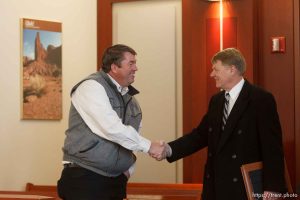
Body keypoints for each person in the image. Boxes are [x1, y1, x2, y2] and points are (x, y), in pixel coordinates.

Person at [154, 48, 287, 200]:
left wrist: (273, 188)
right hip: (216, 187)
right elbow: (200, 135)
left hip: (243, 189)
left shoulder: (260, 99)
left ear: (232, 69)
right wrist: (169, 149)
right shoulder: (216, 101)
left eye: (215, 69)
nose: (212, 74)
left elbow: (272, 147)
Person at [57, 44, 164, 200]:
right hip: (85, 180)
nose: (136, 68)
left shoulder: (132, 101)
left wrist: (127, 172)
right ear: (114, 67)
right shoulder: (91, 87)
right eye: (131, 63)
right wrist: (149, 146)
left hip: (116, 183)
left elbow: (132, 138)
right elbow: (110, 128)